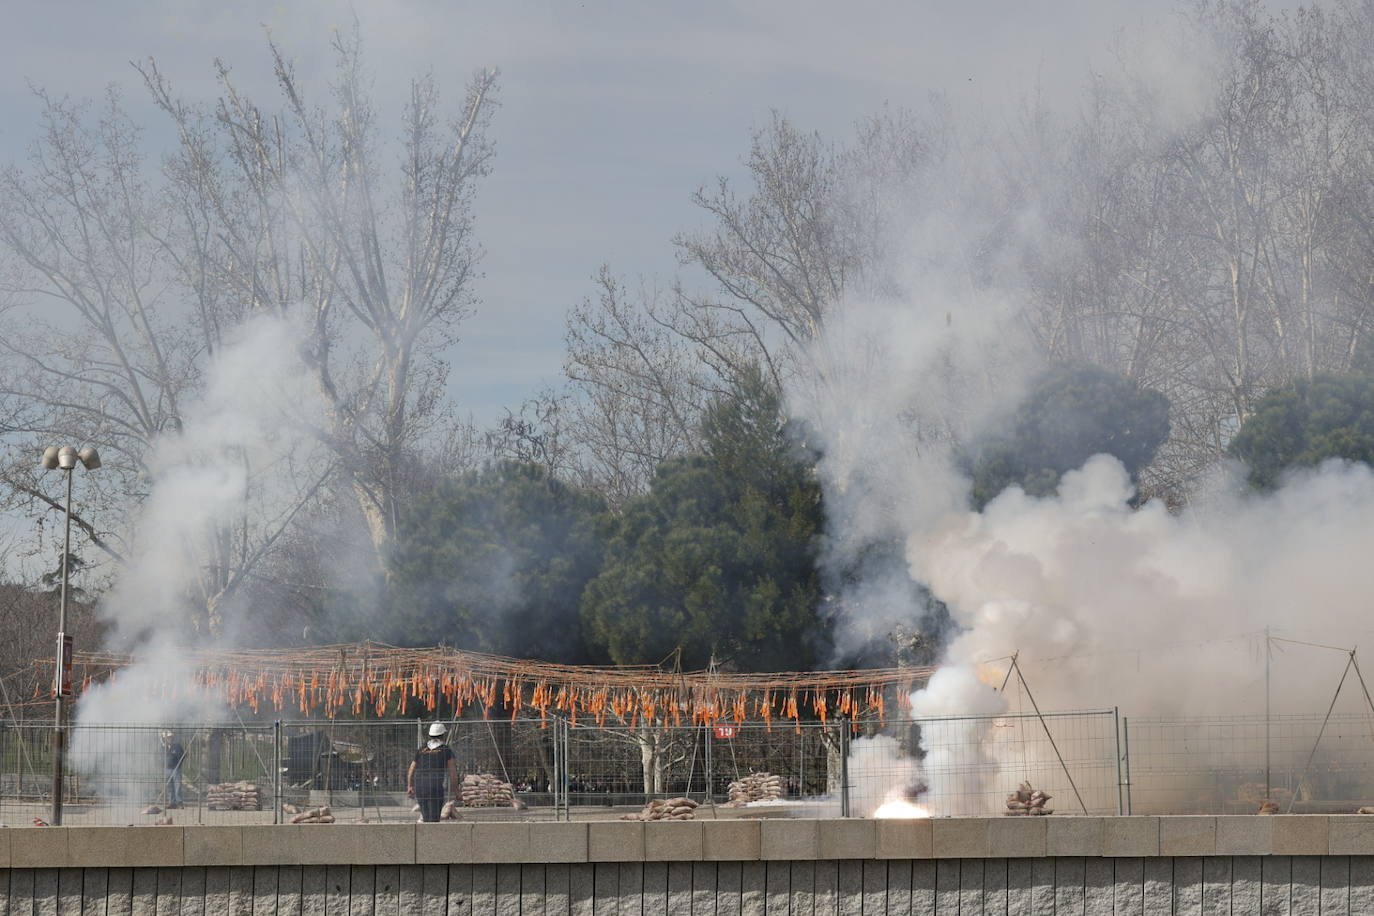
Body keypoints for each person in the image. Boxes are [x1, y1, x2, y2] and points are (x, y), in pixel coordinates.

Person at [407, 722, 457, 822]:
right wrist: (456, 791)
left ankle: (422, 833)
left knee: (425, 816)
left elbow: (411, 769)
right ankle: (431, 835)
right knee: (434, 819)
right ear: (443, 735)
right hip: (435, 787)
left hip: (420, 786)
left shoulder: (421, 749)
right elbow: (453, 773)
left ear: (430, 735)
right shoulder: (446, 750)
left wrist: (410, 786)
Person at [161, 730, 186, 809]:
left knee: (177, 786)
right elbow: (160, 757)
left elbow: (182, 756)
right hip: (167, 769)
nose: (169, 739)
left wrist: (179, 764)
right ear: (165, 739)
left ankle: (179, 802)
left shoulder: (177, 746)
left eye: (170, 737)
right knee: (169, 786)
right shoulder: (163, 747)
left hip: (176, 768)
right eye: (168, 738)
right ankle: (172, 802)